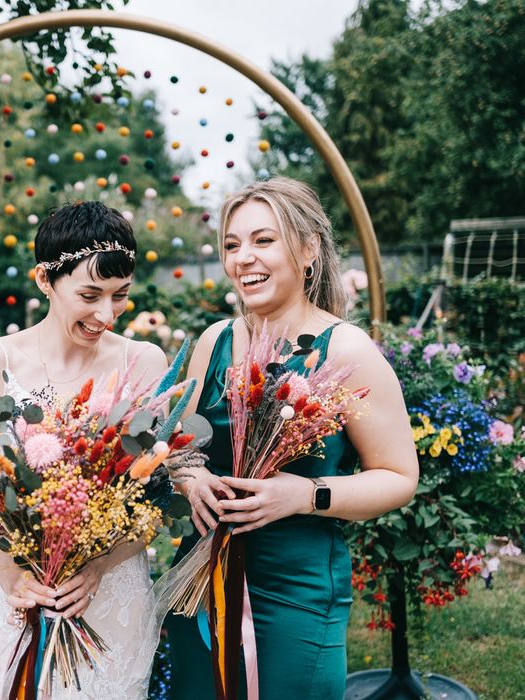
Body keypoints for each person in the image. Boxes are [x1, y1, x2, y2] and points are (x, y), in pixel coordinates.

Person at [167, 177, 419, 699]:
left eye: (263, 240)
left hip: (296, 591)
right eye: (232, 245)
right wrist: (192, 481)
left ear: (307, 250)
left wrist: (304, 494)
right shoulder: (216, 341)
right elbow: (181, 449)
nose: (243, 259)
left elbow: (398, 478)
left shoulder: (346, 351)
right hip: (201, 582)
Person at [0, 201, 168, 699]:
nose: (106, 314)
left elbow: (154, 499)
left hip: (111, 594)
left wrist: (96, 567)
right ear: (45, 280)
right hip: (18, 595)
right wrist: (13, 577)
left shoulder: (144, 361)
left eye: (119, 296)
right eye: (90, 294)